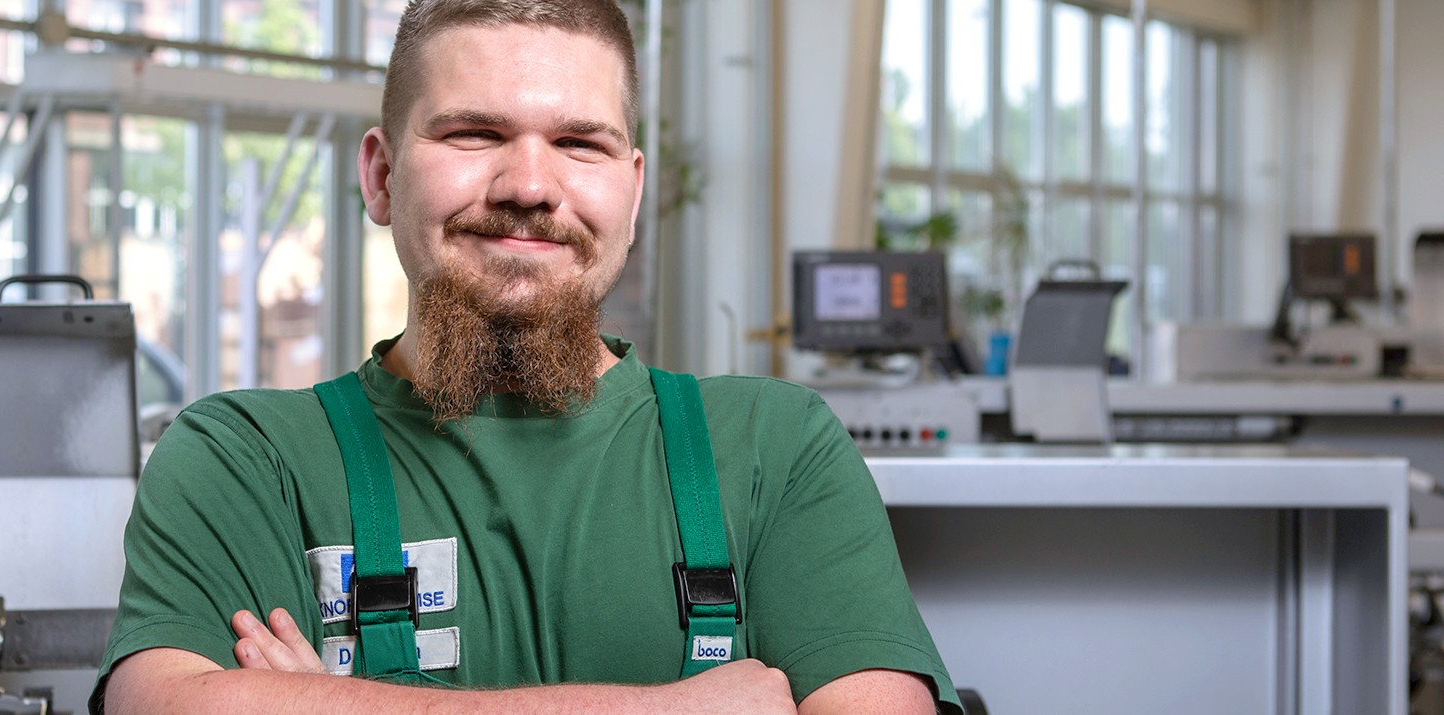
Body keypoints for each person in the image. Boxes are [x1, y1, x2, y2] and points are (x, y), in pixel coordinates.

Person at [94, 1, 960, 713]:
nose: (530, 186)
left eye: (580, 143)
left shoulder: (776, 448)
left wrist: (330, 701)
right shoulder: (245, 459)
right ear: (382, 177)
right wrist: (683, 708)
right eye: (474, 133)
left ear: (632, 188)